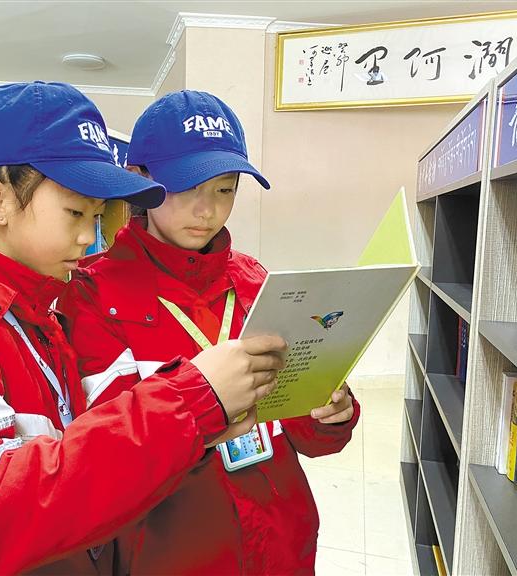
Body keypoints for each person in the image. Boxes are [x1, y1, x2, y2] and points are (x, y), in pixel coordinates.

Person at [0, 83, 286, 575]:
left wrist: (195, 430)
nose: (87, 238)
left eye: (96, 216)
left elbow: (74, 468)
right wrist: (191, 402)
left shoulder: (33, 312)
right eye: (74, 212)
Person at [60, 90, 361, 575]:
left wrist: (330, 413)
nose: (207, 210)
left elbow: (306, 437)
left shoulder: (255, 282)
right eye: (187, 187)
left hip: (282, 542)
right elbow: (112, 457)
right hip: (173, 553)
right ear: (140, 180)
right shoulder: (92, 295)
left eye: (224, 190)